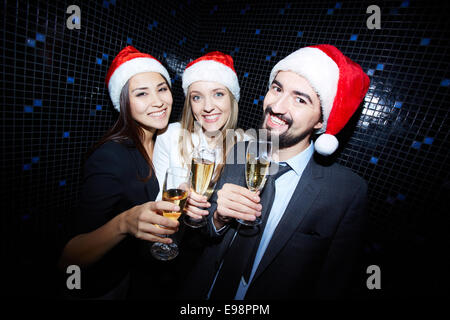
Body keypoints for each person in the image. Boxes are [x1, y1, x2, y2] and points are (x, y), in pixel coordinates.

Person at [181, 44, 370, 300]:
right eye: (277, 89)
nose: (277, 106)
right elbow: (201, 238)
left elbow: (334, 283)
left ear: (320, 121)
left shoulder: (346, 192)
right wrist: (218, 221)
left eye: (300, 99)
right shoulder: (239, 151)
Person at [58, 46, 180, 299]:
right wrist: (124, 223)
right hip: (102, 286)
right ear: (123, 102)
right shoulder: (111, 157)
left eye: (162, 89)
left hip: (137, 276)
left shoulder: (164, 142)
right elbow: (68, 257)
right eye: (141, 93)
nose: (158, 102)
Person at [153, 51, 251, 225]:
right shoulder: (170, 135)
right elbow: (156, 203)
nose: (207, 107)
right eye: (197, 97)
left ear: (232, 99)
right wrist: (179, 200)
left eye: (218, 94)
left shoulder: (245, 145)